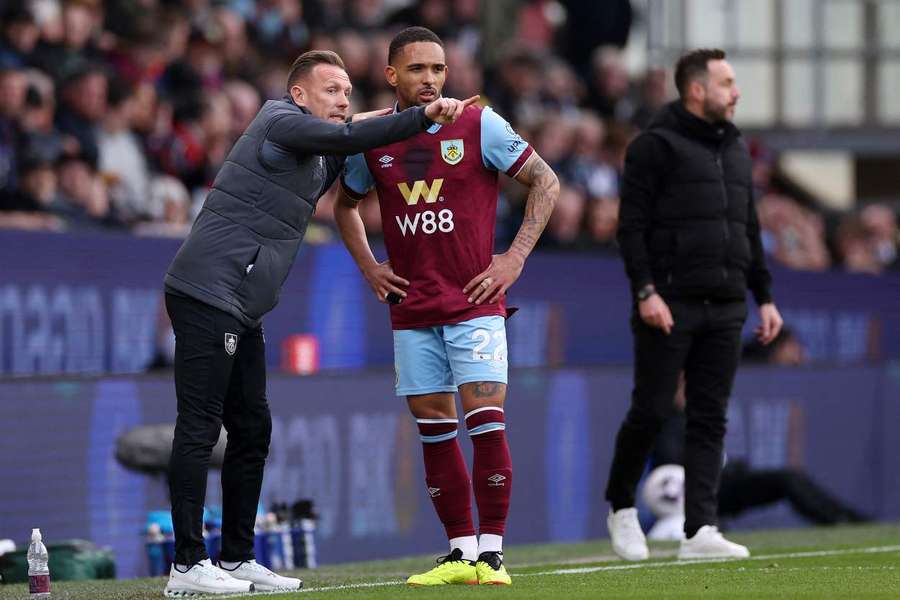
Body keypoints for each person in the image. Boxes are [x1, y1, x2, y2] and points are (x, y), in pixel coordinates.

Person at [161, 49, 477, 597]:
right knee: (199, 427)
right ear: (300, 94)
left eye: (348, 94)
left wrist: (407, 110)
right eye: (332, 90)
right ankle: (187, 566)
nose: (343, 101)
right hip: (208, 291)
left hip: (243, 303)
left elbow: (356, 132)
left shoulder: (317, 146)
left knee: (253, 429)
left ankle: (236, 559)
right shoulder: (277, 119)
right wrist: (423, 114)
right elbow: (348, 137)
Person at [334, 27, 559, 586]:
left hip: (474, 303)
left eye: (438, 68)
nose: (431, 79)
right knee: (434, 432)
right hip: (411, 309)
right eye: (417, 69)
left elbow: (545, 182)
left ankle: (493, 554)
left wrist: (513, 260)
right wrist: (369, 266)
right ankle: (459, 553)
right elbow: (345, 205)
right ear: (391, 75)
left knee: (485, 423)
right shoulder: (376, 137)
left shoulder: (477, 124)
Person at [605, 48, 784, 561]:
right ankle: (619, 507)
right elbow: (631, 228)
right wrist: (645, 291)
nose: (737, 91)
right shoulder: (653, 148)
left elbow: (747, 227)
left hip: (727, 303)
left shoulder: (734, 148)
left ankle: (699, 530)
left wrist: (765, 297)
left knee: (710, 417)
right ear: (697, 89)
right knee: (653, 410)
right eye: (728, 82)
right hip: (670, 301)